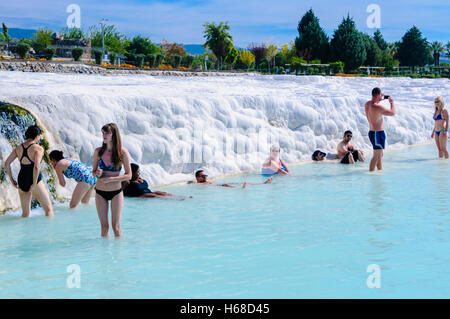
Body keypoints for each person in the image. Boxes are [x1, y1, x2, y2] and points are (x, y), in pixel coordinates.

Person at [4, 125, 53, 217]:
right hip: (34, 180)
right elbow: (36, 167)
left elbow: (7, 163)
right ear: (37, 136)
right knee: (48, 210)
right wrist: (34, 183)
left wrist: (12, 180)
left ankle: (25, 231)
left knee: (25, 214)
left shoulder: (18, 148)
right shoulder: (38, 148)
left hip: (22, 180)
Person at [92, 123, 131, 237]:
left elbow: (129, 175)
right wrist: (98, 173)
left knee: (116, 227)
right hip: (100, 192)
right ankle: (104, 254)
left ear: (114, 135)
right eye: (103, 133)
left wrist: (112, 179)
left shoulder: (122, 153)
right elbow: (93, 172)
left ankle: (118, 254)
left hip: (116, 192)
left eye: (107, 133)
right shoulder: (98, 151)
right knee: (104, 227)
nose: (104, 135)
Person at [365, 87, 396, 171]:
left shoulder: (367, 104)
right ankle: (371, 174)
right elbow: (392, 113)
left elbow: (374, 103)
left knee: (380, 155)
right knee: (376, 156)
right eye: (380, 94)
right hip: (377, 133)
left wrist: (379, 99)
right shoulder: (377, 107)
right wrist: (392, 103)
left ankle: (379, 171)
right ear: (378, 95)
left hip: (372, 132)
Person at [123, 163, 189, 199]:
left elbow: (145, 184)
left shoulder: (137, 179)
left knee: (159, 192)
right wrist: (141, 183)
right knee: (153, 195)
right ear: (133, 172)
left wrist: (141, 183)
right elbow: (138, 187)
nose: (139, 173)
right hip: (140, 195)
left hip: (146, 192)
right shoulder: (127, 181)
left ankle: (179, 196)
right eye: (137, 172)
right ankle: (175, 200)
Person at [194, 170, 273, 187]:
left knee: (239, 182)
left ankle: (263, 183)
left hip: (218, 184)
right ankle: (240, 189)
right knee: (226, 185)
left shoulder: (206, 181)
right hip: (218, 186)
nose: (205, 177)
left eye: (206, 176)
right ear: (198, 178)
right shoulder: (198, 184)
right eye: (203, 176)